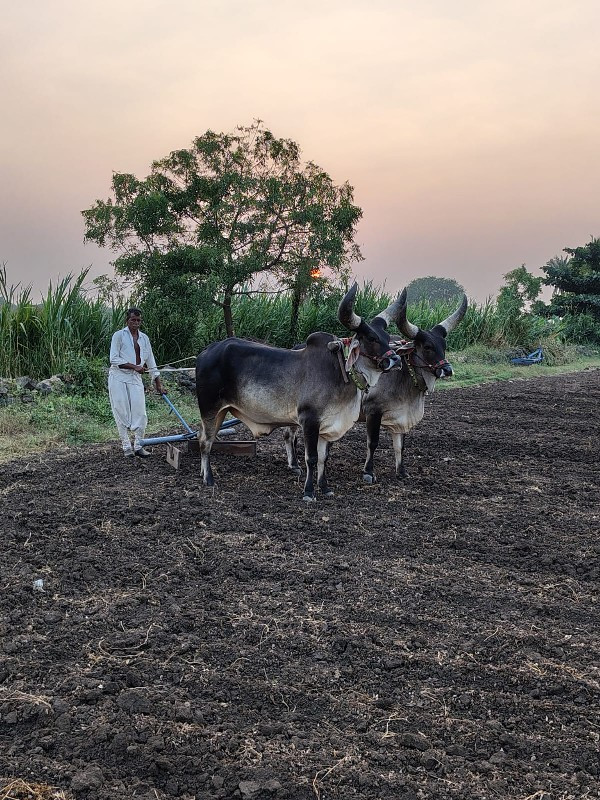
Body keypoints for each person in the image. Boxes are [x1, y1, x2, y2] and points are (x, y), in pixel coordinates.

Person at [108, 308, 166, 457]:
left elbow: (151, 360)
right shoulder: (119, 336)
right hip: (118, 377)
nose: (136, 323)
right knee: (121, 410)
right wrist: (135, 367)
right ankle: (126, 446)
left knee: (141, 413)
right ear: (127, 321)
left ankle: (139, 445)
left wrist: (158, 383)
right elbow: (114, 359)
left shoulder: (144, 338)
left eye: (138, 320)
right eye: (133, 320)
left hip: (135, 378)